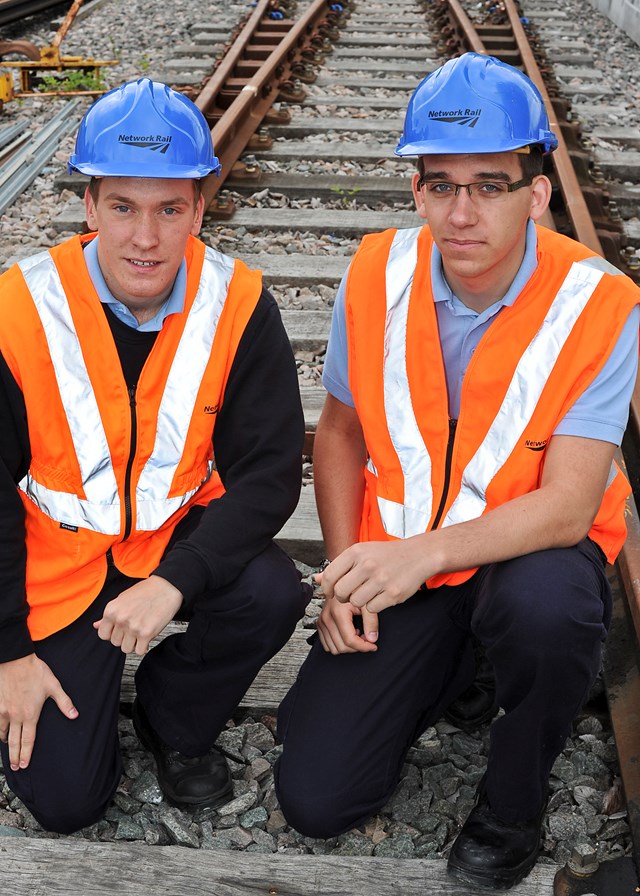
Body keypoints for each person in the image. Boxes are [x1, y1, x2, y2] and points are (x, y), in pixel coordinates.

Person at [274, 52, 640, 890]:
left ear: (536, 193)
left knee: (547, 609)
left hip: (527, 557)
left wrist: (420, 557)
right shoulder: (375, 275)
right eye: (441, 185)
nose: (462, 212)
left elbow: (569, 508)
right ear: (417, 193)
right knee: (317, 799)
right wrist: (342, 574)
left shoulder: (602, 305)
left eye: (490, 184)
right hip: (414, 561)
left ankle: (513, 803)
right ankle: (461, 663)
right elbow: (339, 430)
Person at [0, 78, 310, 835]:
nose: (146, 238)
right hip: (56, 563)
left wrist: (176, 581)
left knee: (273, 590)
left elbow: (269, 477)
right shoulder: (17, 310)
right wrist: (8, 651)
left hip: (170, 540)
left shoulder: (238, 304)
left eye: (170, 209)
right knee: (69, 803)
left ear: (200, 208)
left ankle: (173, 718)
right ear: (89, 206)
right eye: (123, 208)